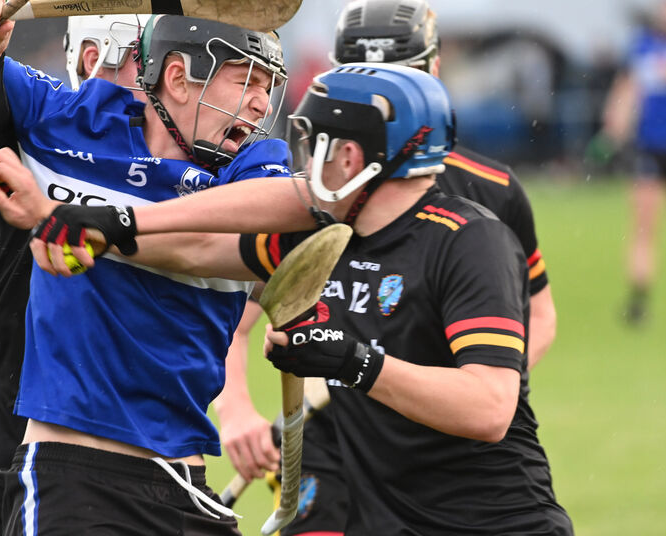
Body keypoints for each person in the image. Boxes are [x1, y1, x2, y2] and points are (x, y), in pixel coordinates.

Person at [0, 60, 573, 535]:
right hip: (383, 518)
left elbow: (489, 407)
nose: (302, 165)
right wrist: (65, 218)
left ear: (350, 156)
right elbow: (195, 249)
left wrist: (355, 362)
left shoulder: (470, 241)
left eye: (316, 145)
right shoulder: (318, 237)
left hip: (495, 521)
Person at [0, 1, 291, 532]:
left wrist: (98, 224)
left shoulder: (250, 170)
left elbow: (266, 221)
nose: (261, 104)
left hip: (185, 485)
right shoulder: (72, 123)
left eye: (268, 86)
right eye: (247, 81)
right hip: (72, 479)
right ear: (177, 78)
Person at [213, 0, 559, 511]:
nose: (380, 97)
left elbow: (539, 316)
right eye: (361, 77)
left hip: (445, 447)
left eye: (400, 75)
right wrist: (238, 410)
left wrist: (465, 383)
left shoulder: (492, 192)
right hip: (335, 435)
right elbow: (238, 316)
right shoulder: (319, 192)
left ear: (433, 72)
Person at [0, 10, 160, 536]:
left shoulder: (189, 163)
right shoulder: (38, 116)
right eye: (150, 62)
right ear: (94, 58)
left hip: (127, 477)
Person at [596, 0, 666, 324]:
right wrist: (612, 129)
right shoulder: (642, 46)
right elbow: (626, 91)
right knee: (644, 227)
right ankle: (638, 302)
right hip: (651, 148)